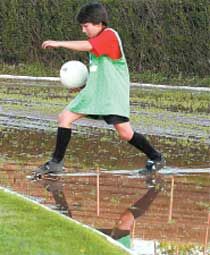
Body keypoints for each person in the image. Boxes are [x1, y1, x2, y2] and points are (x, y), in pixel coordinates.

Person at [33, 2, 165, 177]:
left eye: (85, 26)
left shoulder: (109, 35)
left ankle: (156, 157)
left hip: (111, 95)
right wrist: (83, 86)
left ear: (98, 23)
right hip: (95, 92)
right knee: (64, 117)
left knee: (125, 133)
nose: (83, 30)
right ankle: (56, 163)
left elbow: (88, 46)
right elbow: (99, 70)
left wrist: (59, 43)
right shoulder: (97, 41)